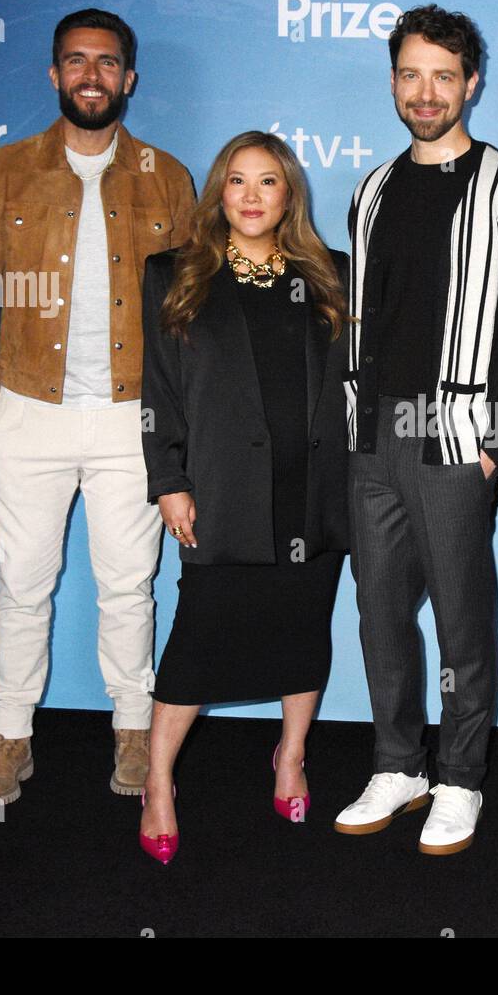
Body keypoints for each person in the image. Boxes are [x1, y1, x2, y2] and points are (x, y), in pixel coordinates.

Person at [333, 4, 498, 856]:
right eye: (409, 75)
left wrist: (494, 448)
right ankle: (400, 763)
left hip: (457, 437)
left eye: (442, 76)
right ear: (393, 82)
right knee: (379, 615)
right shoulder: (372, 188)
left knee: (464, 622)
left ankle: (461, 777)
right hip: (375, 435)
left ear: (471, 83)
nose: (424, 93)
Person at [0, 8, 195, 809]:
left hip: (133, 417)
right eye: (75, 61)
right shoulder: (6, 172)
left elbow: (189, 308)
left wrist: (177, 418)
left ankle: (133, 729)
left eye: (106, 62)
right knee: (22, 584)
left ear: (129, 77)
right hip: (27, 413)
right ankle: (9, 735)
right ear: (53, 75)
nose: (91, 75)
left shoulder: (168, 176)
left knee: (130, 585)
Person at [138, 132, 350, 865]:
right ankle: (158, 782)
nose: (253, 196)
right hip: (225, 491)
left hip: (316, 492)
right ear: (218, 194)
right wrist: (169, 480)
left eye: (268, 181)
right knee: (199, 643)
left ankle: (289, 756)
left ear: (290, 193)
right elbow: (158, 392)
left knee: (303, 630)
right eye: (237, 181)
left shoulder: (331, 277)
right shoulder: (174, 275)